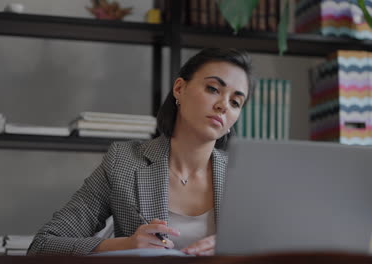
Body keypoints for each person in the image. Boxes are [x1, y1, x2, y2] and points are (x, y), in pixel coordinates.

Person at [27, 48, 254, 256]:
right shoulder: (123, 161)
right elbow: (43, 245)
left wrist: (235, 251)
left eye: (235, 102)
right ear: (179, 89)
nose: (223, 105)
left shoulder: (245, 176)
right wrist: (124, 246)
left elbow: (279, 250)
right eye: (213, 89)